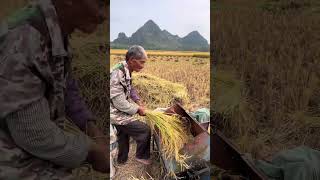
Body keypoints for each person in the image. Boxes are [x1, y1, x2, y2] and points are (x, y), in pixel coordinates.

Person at [0, 0, 109, 179]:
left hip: (35, 153)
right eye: (100, 4)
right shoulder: (23, 40)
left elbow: (66, 86)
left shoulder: (55, 30)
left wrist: (94, 132)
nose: (104, 15)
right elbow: (33, 133)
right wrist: (91, 152)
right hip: (13, 162)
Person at [110, 45, 152, 165]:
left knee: (123, 134)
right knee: (144, 130)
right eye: (142, 62)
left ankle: (121, 160)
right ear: (132, 61)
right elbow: (119, 103)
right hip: (114, 112)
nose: (143, 66)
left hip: (119, 110)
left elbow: (130, 87)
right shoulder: (117, 74)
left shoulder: (126, 69)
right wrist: (138, 109)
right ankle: (141, 156)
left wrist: (137, 100)